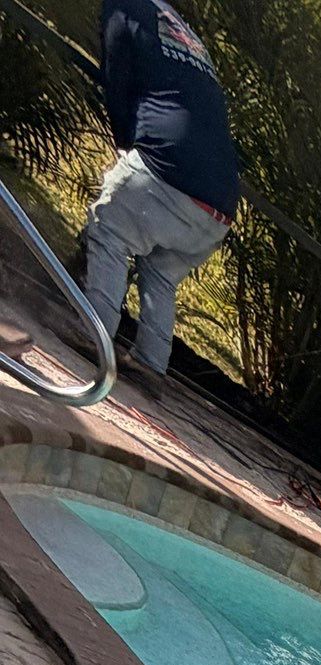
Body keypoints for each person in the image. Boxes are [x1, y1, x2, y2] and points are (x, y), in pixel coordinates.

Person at [81, 0, 239, 382]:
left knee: (110, 232)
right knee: (161, 274)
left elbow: (117, 81)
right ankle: (151, 366)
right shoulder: (183, 31)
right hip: (219, 204)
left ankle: (93, 337)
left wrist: (125, 147)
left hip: (167, 169)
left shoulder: (124, 8)